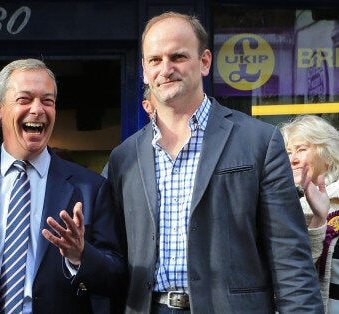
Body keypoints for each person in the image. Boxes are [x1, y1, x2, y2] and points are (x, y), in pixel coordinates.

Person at [104, 11, 323, 313]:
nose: (165, 69)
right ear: (144, 69)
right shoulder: (123, 158)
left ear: (205, 61)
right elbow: (111, 258)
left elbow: (290, 260)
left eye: (178, 56)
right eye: (154, 60)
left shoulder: (259, 141)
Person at [0, 58, 126, 313]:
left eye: (48, 101)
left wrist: (80, 255)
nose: (38, 109)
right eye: (25, 99)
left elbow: (116, 277)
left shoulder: (90, 188)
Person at [280, 114, 339, 313]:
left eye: (301, 149)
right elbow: (294, 273)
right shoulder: (289, 207)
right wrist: (318, 219)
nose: (292, 160)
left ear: (328, 154)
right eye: (288, 152)